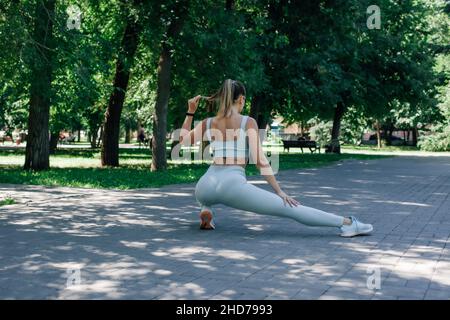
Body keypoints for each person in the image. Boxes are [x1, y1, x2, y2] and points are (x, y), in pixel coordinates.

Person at [179, 79, 373, 237]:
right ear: (242, 99)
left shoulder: (208, 122)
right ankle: (347, 224)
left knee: (206, 199)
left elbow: (184, 142)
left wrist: (190, 112)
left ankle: (206, 209)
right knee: (290, 209)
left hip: (205, 185)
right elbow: (260, 160)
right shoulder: (248, 122)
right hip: (232, 184)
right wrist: (280, 192)